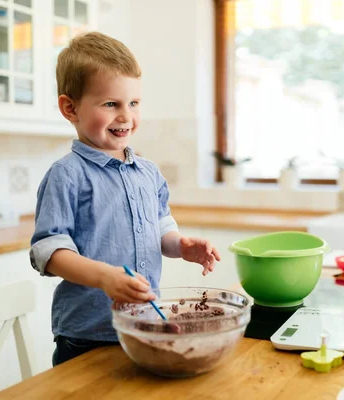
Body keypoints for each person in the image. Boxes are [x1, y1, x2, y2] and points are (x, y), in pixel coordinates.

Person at [29, 31, 221, 367]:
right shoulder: (67, 175)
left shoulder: (147, 171)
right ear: (70, 108)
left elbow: (160, 225)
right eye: (110, 104)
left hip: (144, 325)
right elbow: (49, 252)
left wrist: (180, 246)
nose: (126, 116)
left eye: (133, 103)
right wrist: (105, 277)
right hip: (87, 335)